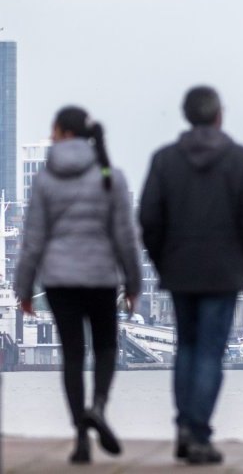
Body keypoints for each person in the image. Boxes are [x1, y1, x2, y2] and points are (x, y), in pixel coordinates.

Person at [139, 87, 243, 465]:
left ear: (186, 115)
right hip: (224, 271)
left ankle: (184, 426)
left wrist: (163, 262)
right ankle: (198, 433)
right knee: (211, 352)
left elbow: (148, 218)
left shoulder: (165, 161)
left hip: (180, 269)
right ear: (218, 116)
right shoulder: (242, 161)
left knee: (187, 347)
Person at [14, 107, 142, 464]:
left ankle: (81, 438)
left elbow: (33, 240)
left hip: (59, 280)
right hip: (102, 278)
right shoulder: (110, 177)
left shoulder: (45, 181)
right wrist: (133, 283)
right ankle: (98, 406)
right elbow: (125, 238)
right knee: (105, 348)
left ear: (61, 132)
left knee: (72, 354)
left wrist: (23, 288)